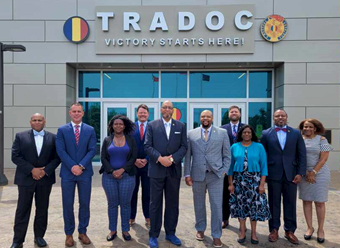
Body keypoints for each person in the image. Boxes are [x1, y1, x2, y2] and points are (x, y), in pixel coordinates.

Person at [10, 113, 60, 248]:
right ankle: (18, 240)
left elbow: (57, 158)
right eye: (34, 120)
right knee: (22, 209)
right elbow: (15, 156)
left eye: (40, 120)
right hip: (25, 179)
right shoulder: (20, 136)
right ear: (30, 122)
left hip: (45, 179)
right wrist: (32, 170)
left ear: (44, 122)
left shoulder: (53, 138)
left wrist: (45, 171)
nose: (37, 122)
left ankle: (39, 237)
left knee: (42, 209)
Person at [184, 110, 230, 248]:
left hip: (215, 175)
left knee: (216, 206)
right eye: (203, 116)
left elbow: (227, 155)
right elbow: (188, 157)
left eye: (208, 116)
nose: (205, 118)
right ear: (200, 118)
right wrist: (187, 174)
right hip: (197, 174)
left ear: (212, 118)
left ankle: (216, 235)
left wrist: (223, 172)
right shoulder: (191, 134)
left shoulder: (222, 133)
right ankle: (200, 229)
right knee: (199, 204)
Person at [144, 100, 188, 248]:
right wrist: (159, 158)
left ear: (172, 110)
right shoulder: (152, 125)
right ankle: (154, 235)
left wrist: (173, 158)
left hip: (173, 170)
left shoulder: (181, 126)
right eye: (165, 107)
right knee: (155, 204)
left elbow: (184, 147)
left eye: (170, 107)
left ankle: (170, 233)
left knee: (172, 203)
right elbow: (147, 146)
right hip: (157, 170)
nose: (167, 109)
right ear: (161, 110)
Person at [261, 109, 306, 245]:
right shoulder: (265, 133)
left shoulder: (296, 133)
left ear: (286, 117)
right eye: (277, 116)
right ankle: (274, 229)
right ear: (273, 118)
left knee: (290, 203)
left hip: (291, 174)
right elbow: (263, 155)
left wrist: (300, 172)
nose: (280, 117)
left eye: (283, 115)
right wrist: (264, 175)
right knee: (273, 203)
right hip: (273, 173)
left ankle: (290, 231)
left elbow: (302, 154)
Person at [56, 103, 97, 247]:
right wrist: (72, 166)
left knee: (84, 203)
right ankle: (69, 234)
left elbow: (92, 150)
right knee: (68, 204)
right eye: (74, 111)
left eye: (79, 111)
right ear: (69, 113)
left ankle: (82, 232)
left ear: (83, 113)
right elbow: (60, 151)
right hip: (68, 173)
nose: (76, 113)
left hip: (84, 173)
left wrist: (80, 166)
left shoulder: (90, 130)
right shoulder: (62, 130)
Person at [228, 125, 271, 245]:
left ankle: (253, 233)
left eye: (249, 132)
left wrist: (262, 184)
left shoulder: (259, 147)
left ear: (252, 134)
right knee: (240, 207)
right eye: (244, 132)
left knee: (254, 208)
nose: (247, 134)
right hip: (239, 182)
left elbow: (264, 167)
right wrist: (230, 184)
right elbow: (230, 167)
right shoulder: (234, 147)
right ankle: (242, 231)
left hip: (255, 182)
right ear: (241, 134)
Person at [99, 115, 138, 242]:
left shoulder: (131, 140)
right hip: (109, 177)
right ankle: (113, 230)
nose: (118, 126)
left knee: (126, 204)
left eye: (121, 124)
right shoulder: (107, 140)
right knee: (112, 204)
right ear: (112, 126)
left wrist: (122, 170)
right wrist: (112, 171)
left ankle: (125, 230)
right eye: (116, 124)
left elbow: (133, 158)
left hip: (127, 176)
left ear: (124, 126)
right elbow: (103, 158)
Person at [298, 119, 333, 244]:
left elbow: (324, 159)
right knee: (307, 201)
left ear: (315, 128)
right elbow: (296, 156)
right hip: (304, 173)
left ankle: (320, 230)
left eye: (310, 127)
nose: (307, 129)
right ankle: (309, 228)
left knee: (319, 202)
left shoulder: (322, 140)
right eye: (305, 126)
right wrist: (306, 172)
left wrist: (313, 172)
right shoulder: (298, 139)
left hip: (320, 173)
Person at [220, 105, 245, 228]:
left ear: (239, 114)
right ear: (228, 114)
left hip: (242, 167)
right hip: (226, 166)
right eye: (231, 111)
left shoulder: (245, 128)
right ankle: (225, 218)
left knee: (242, 194)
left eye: (236, 111)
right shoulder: (222, 129)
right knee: (225, 194)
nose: (234, 113)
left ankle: (242, 221)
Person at [130, 104, 151, 228]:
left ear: (148, 114)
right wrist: (135, 160)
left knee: (148, 193)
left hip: (148, 165)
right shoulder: (130, 128)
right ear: (137, 114)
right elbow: (127, 145)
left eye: (144, 113)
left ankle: (148, 217)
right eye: (140, 112)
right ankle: (131, 217)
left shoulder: (153, 127)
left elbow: (155, 145)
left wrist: (147, 159)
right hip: (133, 165)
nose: (142, 114)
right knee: (132, 191)